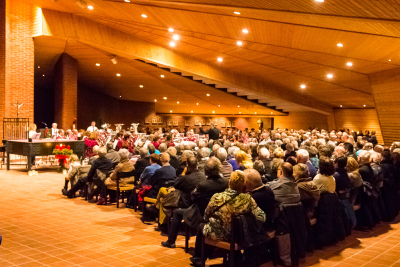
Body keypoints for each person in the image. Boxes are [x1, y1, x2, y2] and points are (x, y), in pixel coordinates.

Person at [190, 170, 265, 266]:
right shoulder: (247, 199)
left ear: (229, 183)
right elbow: (262, 217)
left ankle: (199, 258)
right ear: (243, 185)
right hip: (238, 236)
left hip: (218, 234)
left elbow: (206, 216)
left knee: (202, 226)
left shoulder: (217, 197)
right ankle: (236, 257)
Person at [161, 156, 207, 248]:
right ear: (197, 165)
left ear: (187, 165)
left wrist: (183, 173)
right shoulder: (203, 176)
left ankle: (171, 241)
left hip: (189, 206)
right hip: (202, 206)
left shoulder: (186, 178)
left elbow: (176, 184)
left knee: (176, 212)